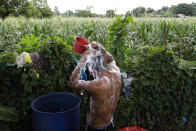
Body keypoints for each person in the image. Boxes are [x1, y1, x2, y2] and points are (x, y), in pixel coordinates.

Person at [68, 43, 122, 131]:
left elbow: (72, 83)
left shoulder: (96, 86)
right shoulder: (117, 74)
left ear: (91, 69)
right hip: (110, 124)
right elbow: (111, 60)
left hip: (97, 128)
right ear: (103, 61)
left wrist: (82, 60)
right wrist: (101, 48)